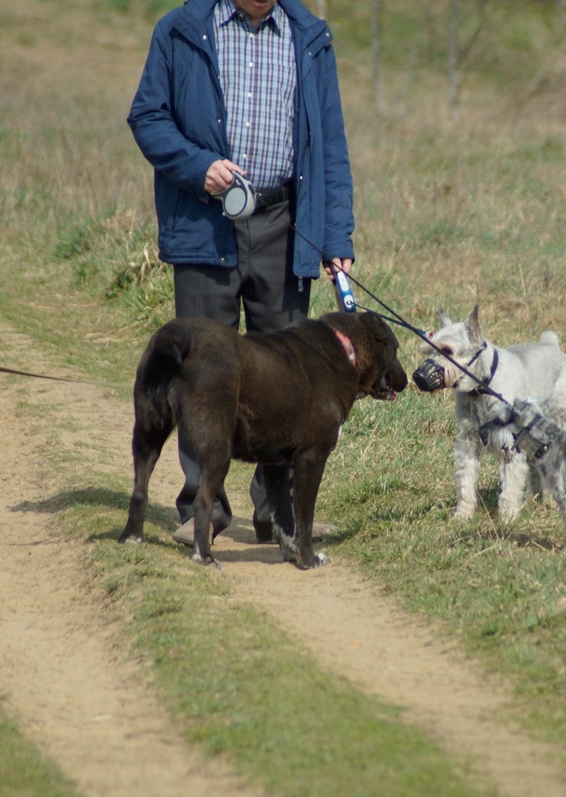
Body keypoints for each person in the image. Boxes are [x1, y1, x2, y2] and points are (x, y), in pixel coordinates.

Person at [127, 0, 355, 546]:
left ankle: (276, 513)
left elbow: (330, 145)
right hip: (205, 220)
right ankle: (202, 509)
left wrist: (335, 234)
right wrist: (197, 165)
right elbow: (148, 117)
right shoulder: (181, 29)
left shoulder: (310, 36)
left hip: (287, 224)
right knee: (203, 373)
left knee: (286, 380)